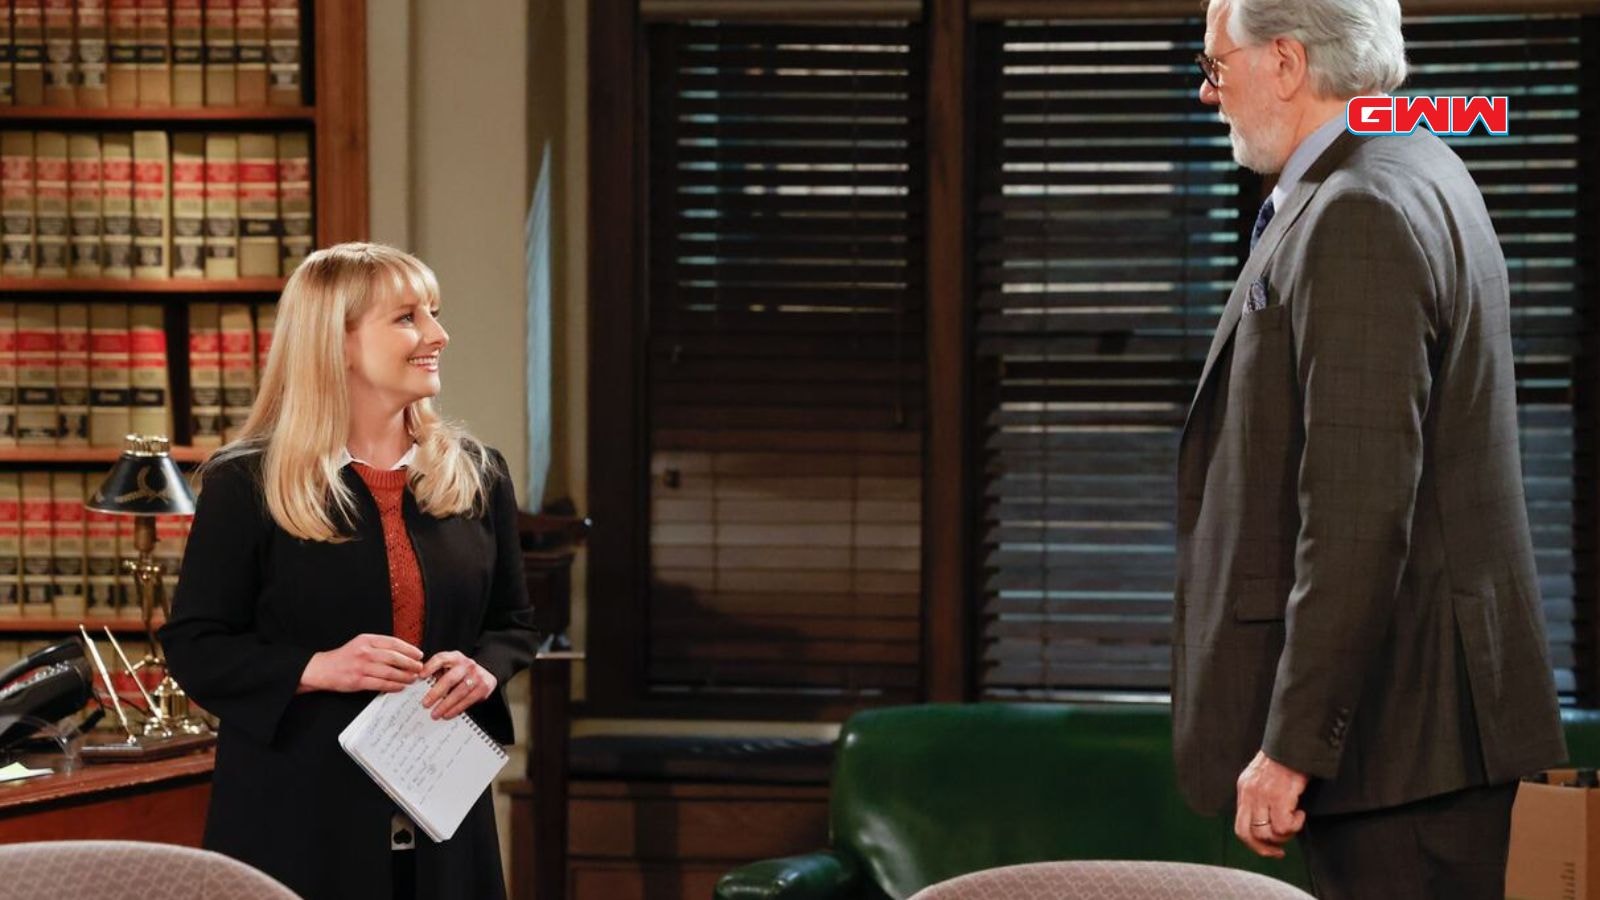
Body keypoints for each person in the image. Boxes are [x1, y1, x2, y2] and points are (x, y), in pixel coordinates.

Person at [1171, 1, 1566, 897]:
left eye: (1214, 64)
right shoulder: (1425, 165)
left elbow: (1355, 518)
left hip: (1402, 759)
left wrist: (1290, 747)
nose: (1207, 93)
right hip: (1430, 750)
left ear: (1284, 61)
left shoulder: (1357, 211)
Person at [160, 242, 537, 900]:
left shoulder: (479, 473)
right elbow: (195, 646)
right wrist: (317, 667)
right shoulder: (245, 482)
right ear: (335, 341)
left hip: (442, 808)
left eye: (434, 313)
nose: (437, 335)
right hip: (298, 816)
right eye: (407, 318)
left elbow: (514, 624)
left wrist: (484, 668)